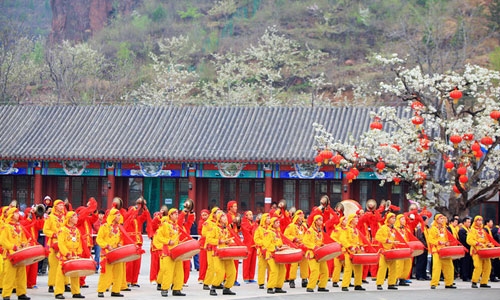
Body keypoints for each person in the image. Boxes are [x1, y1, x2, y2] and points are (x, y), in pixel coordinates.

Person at [154, 209, 186, 297]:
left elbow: (176, 238)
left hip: (177, 251)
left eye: (177, 214)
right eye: (175, 214)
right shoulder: (164, 225)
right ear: (170, 215)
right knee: (168, 271)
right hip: (167, 251)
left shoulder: (177, 226)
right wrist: (168, 241)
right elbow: (158, 237)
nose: (176, 216)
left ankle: (177, 289)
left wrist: (178, 242)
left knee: (179, 271)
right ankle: (164, 289)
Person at [1, 207, 31, 300]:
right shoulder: (6, 227)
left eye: (18, 213)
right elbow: (2, 240)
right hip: (10, 254)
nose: (18, 215)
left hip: (20, 254)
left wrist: (24, 243)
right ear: (11, 215)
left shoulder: (19, 226)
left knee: (21, 275)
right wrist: (13, 247)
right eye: (16, 213)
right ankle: (6, 294)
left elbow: (23, 239)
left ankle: (21, 293)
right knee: (9, 276)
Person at [54, 211, 85, 299]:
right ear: (70, 219)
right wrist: (67, 254)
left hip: (74, 255)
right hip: (65, 256)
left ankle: (76, 292)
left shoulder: (77, 230)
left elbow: (79, 243)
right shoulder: (62, 230)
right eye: (75, 217)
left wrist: (79, 253)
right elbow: (61, 244)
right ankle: (58, 292)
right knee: (61, 274)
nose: (77, 219)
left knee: (75, 273)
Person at [96, 208, 126, 298]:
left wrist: (121, 243)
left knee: (119, 272)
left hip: (117, 253)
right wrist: (107, 246)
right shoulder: (104, 226)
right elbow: (99, 239)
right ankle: (101, 290)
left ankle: (116, 290)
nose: (119, 216)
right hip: (107, 253)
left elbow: (121, 238)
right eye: (117, 215)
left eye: (119, 215)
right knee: (106, 272)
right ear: (112, 216)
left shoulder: (120, 227)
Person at [207, 213, 237, 296]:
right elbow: (209, 239)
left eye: (225, 217)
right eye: (223, 217)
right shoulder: (214, 229)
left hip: (227, 252)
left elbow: (227, 239)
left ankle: (227, 288)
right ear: (219, 219)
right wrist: (220, 241)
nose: (225, 218)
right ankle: (213, 287)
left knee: (232, 271)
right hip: (217, 253)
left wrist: (230, 241)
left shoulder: (226, 229)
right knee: (220, 271)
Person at [124, 197, 152, 288]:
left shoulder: (138, 220)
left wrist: (144, 207)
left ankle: (134, 281)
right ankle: (127, 280)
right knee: (129, 263)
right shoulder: (127, 220)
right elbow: (132, 214)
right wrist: (138, 206)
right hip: (130, 243)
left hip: (138, 243)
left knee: (137, 263)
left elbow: (145, 215)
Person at [43, 200, 68, 293]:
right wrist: (54, 234)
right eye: (60, 205)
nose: (62, 207)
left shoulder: (65, 217)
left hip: (64, 243)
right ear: (55, 207)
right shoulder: (50, 217)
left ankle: (65, 283)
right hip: (53, 243)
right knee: (53, 265)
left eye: (62, 205)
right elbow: (45, 230)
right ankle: (51, 284)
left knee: (64, 263)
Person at [338, 214, 366, 291]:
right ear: (351, 220)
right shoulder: (346, 229)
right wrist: (349, 246)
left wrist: (361, 245)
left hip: (357, 251)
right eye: (356, 219)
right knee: (348, 268)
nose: (357, 220)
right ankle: (345, 285)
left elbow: (359, 240)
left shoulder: (356, 230)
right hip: (349, 251)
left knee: (359, 268)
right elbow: (343, 239)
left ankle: (358, 284)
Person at [428, 214, 456, 289]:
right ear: (436, 220)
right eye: (440, 219)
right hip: (437, 250)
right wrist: (440, 242)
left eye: (443, 218)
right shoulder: (433, 229)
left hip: (445, 250)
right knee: (436, 268)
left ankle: (449, 283)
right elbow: (431, 240)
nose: (442, 220)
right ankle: (434, 284)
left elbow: (448, 239)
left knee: (449, 266)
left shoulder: (445, 229)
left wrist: (448, 243)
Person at [75, 198, 98, 288]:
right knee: (80, 262)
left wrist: (94, 210)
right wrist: (88, 210)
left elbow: (94, 218)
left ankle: (82, 281)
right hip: (81, 244)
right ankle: (77, 281)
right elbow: (81, 217)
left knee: (85, 263)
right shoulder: (78, 220)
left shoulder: (87, 219)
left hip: (88, 243)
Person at [467, 216, 495, 288]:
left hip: (485, 251)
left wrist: (489, 244)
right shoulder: (472, 230)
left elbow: (487, 240)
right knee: (478, 267)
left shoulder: (483, 231)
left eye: (481, 220)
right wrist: (477, 243)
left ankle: (484, 282)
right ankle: (474, 282)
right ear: (475, 222)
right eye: (478, 220)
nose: (480, 222)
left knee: (488, 267)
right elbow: (469, 240)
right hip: (476, 251)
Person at [303, 215, 329, 292]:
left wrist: (322, 245)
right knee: (315, 271)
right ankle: (310, 287)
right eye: (319, 220)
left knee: (325, 271)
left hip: (320, 253)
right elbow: (305, 242)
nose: (321, 222)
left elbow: (319, 241)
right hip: (312, 253)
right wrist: (314, 247)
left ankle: (322, 286)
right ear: (315, 221)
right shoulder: (310, 231)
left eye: (322, 220)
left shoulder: (320, 231)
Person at [283, 210, 309, 288]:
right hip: (294, 247)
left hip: (303, 246)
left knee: (304, 263)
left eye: (302, 216)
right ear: (297, 217)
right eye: (300, 216)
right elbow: (286, 235)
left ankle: (304, 279)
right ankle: (292, 280)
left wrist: (305, 241)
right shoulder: (291, 226)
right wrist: (294, 239)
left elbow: (307, 235)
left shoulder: (304, 226)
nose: (302, 218)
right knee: (294, 265)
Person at [21, 206, 44, 289]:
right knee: (26, 266)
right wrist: (31, 216)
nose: (31, 214)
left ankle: (32, 283)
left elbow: (40, 226)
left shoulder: (34, 221)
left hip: (34, 246)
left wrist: (40, 216)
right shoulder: (23, 221)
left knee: (34, 265)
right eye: (29, 212)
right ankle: (24, 283)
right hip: (27, 246)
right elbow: (26, 225)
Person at [375, 213, 399, 290]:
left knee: (393, 268)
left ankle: (391, 283)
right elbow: (377, 237)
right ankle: (379, 283)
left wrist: (396, 243)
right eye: (392, 218)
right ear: (388, 219)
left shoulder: (395, 229)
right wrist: (388, 241)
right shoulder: (383, 228)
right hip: (384, 251)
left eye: (395, 218)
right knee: (382, 267)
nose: (394, 220)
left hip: (392, 250)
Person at [263, 217, 287, 294]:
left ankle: (278, 286)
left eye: (279, 223)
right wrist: (276, 248)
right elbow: (266, 244)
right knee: (274, 270)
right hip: (271, 254)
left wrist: (282, 246)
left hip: (279, 254)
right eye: (276, 223)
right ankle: (270, 287)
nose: (278, 224)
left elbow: (279, 242)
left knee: (282, 270)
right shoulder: (268, 232)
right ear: (272, 224)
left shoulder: (278, 232)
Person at [201, 207, 222, 291]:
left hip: (219, 246)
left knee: (219, 266)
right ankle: (206, 283)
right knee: (211, 266)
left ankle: (217, 282)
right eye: (217, 213)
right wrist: (213, 234)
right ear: (213, 214)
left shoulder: (221, 223)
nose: (219, 215)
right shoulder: (208, 223)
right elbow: (203, 233)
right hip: (211, 246)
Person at [394, 214, 412, 286]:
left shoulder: (406, 229)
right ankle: (395, 279)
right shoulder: (395, 229)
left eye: (404, 219)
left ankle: (403, 279)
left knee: (407, 264)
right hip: (399, 248)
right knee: (399, 265)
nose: (403, 220)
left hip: (406, 248)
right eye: (401, 219)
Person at [241, 210, 258, 283]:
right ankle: (246, 277)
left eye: (252, 214)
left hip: (254, 244)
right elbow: (250, 229)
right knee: (247, 261)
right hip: (248, 244)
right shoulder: (244, 223)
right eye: (249, 214)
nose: (251, 216)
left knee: (253, 261)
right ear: (246, 216)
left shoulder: (252, 223)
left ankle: (251, 277)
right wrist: (256, 223)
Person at [330, 216, 347, 287]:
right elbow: (332, 237)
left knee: (347, 267)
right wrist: (339, 243)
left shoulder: (348, 229)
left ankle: (347, 281)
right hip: (339, 250)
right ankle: (335, 281)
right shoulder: (337, 229)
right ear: (342, 221)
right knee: (337, 266)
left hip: (346, 250)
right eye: (345, 220)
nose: (346, 222)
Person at [415, 215, 430, 280]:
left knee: (425, 261)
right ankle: (419, 275)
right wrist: (425, 244)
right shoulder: (420, 228)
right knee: (420, 261)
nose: (428, 221)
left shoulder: (426, 228)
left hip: (426, 248)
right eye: (427, 220)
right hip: (422, 247)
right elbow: (420, 238)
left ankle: (424, 275)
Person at [197, 209, 209, 284]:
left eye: (205, 215)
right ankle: (201, 278)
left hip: (210, 243)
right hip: (203, 244)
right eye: (202, 215)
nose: (204, 216)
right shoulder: (201, 223)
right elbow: (200, 232)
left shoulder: (211, 222)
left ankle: (208, 278)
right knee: (202, 263)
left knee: (209, 263)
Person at [458, 217, 473, 281]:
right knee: (465, 263)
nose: (469, 223)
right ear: (464, 223)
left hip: (470, 248)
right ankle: (465, 276)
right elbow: (464, 240)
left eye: (470, 222)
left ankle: (469, 275)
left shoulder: (469, 229)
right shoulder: (462, 230)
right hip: (465, 248)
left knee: (469, 263)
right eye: (468, 222)